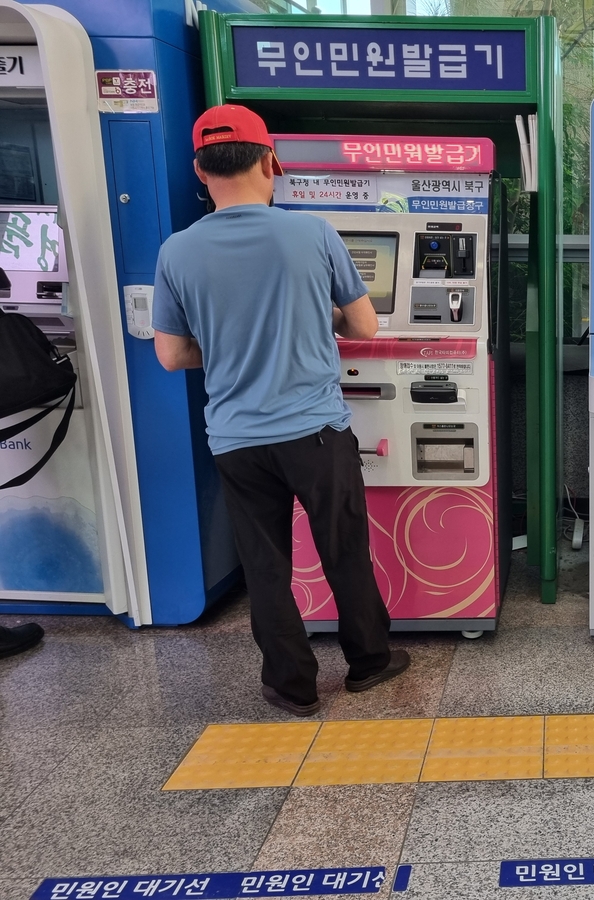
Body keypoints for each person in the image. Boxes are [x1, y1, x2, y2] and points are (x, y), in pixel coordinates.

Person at [152, 105, 407, 717]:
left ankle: (291, 687)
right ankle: (371, 662)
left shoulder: (176, 253)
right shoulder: (311, 233)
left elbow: (171, 355)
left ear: (200, 170)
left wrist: (230, 340)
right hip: (316, 431)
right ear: (271, 161)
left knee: (265, 566)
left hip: (237, 438)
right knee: (342, 548)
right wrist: (313, 322)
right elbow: (365, 324)